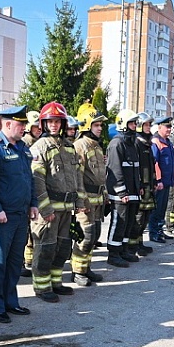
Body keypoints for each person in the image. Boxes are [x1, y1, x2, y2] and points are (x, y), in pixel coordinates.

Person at [0, 106, 39, 323]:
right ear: (7, 124)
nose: (24, 128)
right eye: (20, 124)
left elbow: (28, 179)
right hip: (2, 216)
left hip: (20, 214)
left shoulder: (22, 148)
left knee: (15, 262)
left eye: (24, 124)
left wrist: (33, 203)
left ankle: (10, 301)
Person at [29, 101, 87, 302]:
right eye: (50, 121)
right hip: (50, 210)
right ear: (44, 124)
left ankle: (56, 282)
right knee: (45, 248)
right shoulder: (39, 147)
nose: (54, 125)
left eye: (57, 121)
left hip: (66, 209)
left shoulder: (70, 148)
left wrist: (80, 201)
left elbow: (77, 177)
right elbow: (37, 181)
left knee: (62, 248)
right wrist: (45, 209)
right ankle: (42, 287)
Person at [69, 103, 107, 286]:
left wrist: (104, 194)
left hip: (97, 200)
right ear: (86, 125)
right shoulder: (80, 146)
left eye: (101, 125)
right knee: (85, 236)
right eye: (96, 125)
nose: (100, 128)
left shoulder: (97, 146)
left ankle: (86, 267)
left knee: (94, 235)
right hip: (85, 203)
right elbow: (77, 178)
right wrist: (80, 201)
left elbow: (100, 175)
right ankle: (77, 271)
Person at [105, 109, 141, 267]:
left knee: (128, 222)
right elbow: (115, 169)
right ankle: (113, 253)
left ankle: (123, 250)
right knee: (118, 222)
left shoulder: (132, 142)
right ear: (124, 124)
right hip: (121, 193)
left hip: (132, 191)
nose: (135, 126)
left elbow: (135, 168)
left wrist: (137, 187)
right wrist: (122, 191)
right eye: (132, 123)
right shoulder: (117, 143)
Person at [149, 117, 174, 243]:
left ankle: (160, 230)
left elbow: (171, 162)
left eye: (170, 127)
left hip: (167, 181)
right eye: (167, 127)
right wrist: (158, 180)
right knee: (157, 209)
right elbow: (155, 163)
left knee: (163, 208)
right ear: (159, 127)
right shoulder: (156, 142)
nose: (169, 129)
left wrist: (173, 178)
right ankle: (154, 232)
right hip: (160, 183)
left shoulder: (168, 142)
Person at [20, 109, 41, 277]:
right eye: (36, 127)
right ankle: (24, 262)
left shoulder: (36, 141)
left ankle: (28, 260)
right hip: (25, 190)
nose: (38, 129)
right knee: (26, 232)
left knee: (30, 231)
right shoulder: (27, 142)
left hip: (30, 190)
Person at [133, 112, 157, 254]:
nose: (148, 127)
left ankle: (140, 243)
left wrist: (153, 181)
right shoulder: (137, 143)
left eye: (149, 125)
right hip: (142, 186)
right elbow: (137, 167)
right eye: (146, 124)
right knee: (139, 217)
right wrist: (140, 184)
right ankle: (134, 245)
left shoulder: (147, 143)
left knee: (146, 216)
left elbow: (151, 165)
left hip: (149, 186)